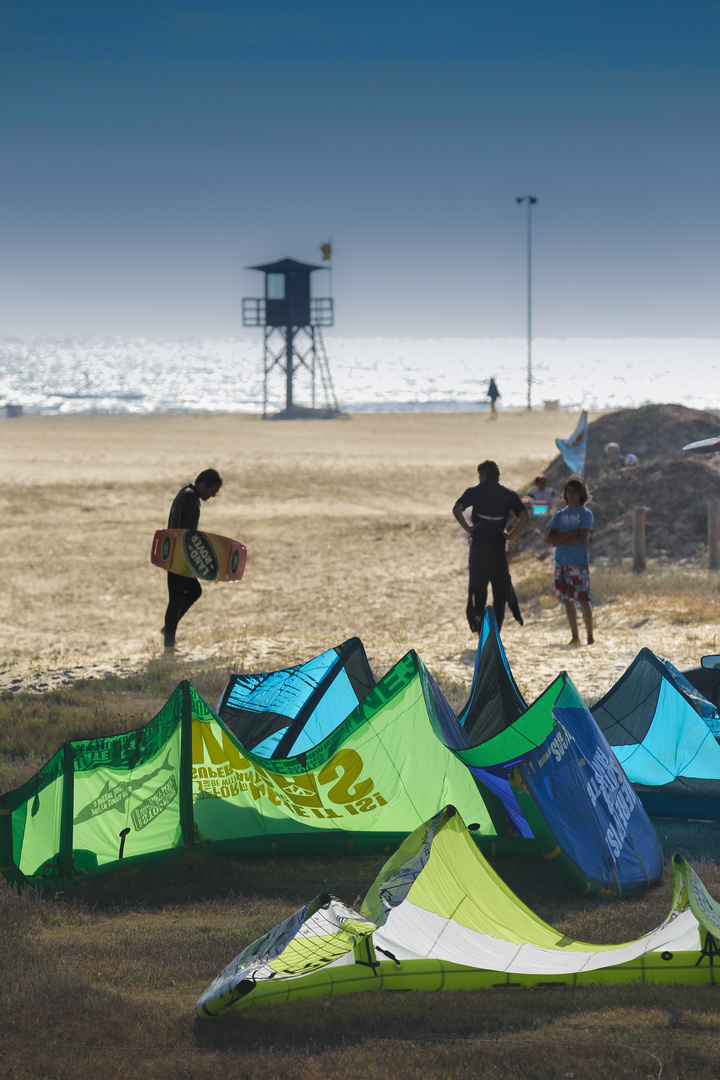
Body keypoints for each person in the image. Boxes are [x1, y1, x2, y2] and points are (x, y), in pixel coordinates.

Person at [453, 460, 529, 633]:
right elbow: (524, 516)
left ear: (483, 475)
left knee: (478, 593)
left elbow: (457, 509)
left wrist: (469, 529)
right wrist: (510, 535)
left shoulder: (474, 492)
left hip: (479, 551)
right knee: (500, 595)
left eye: (479, 475)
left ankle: (480, 631)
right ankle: (496, 632)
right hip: (498, 552)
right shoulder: (508, 494)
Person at [163, 468, 223, 650]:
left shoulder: (188, 495)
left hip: (180, 555)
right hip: (179, 556)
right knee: (177, 598)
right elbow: (182, 531)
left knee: (190, 593)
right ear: (202, 484)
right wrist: (187, 557)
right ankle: (169, 643)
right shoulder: (189, 497)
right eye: (212, 491)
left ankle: (169, 633)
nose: (212, 496)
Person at [545, 474, 594, 647]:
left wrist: (562, 538)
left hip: (578, 563)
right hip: (561, 563)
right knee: (567, 600)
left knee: (583, 599)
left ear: (581, 493)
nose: (571, 494)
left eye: (574, 491)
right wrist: (571, 534)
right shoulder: (559, 515)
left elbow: (581, 539)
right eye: (568, 491)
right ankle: (575, 635)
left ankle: (589, 636)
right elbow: (550, 538)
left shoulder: (585, 514)